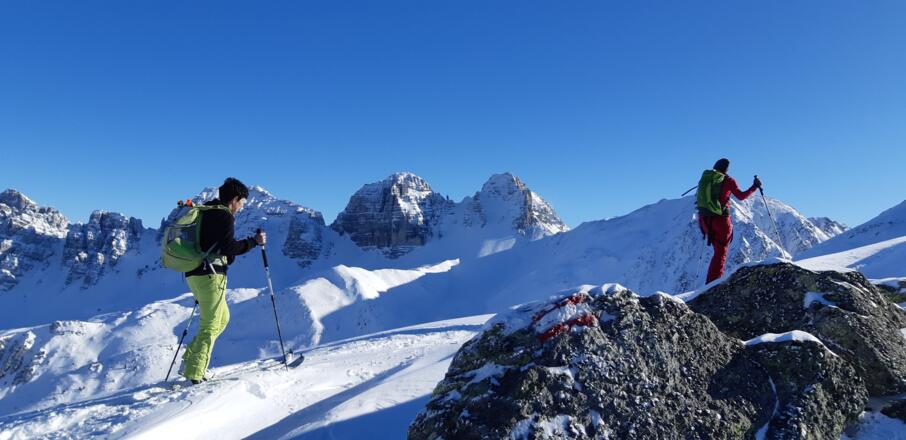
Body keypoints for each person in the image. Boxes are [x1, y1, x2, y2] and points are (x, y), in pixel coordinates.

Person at [182, 177, 266, 384]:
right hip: (210, 275)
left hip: (195, 273)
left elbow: (218, 245)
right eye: (243, 202)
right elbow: (227, 247)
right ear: (235, 199)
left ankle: (190, 361)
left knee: (222, 318)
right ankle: (196, 372)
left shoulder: (207, 211)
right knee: (211, 324)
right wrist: (253, 242)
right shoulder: (224, 215)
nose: (242, 207)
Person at [696, 158, 761, 283]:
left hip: (705, 219)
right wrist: (754, 187)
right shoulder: (729, 181)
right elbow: (741, 196)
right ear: (727, 169)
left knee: (717, 253)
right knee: (721, 254)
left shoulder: (707, 179)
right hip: (721, 221)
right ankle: (713, 286)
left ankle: (710, 284)